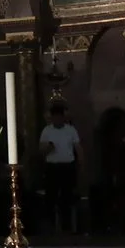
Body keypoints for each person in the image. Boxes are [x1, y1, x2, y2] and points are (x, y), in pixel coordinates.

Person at [37, 100, 82, 235]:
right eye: (54, 117)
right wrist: (48, 148)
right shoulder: (47, 131)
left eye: (59, 117)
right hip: (53, 168)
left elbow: (78, 148)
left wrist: (81, 163)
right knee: (51, 197)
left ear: (63, 117)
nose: (57, 119)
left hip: (67, 167)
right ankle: (51, 227)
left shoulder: (70, 130)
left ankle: (67, 228)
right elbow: (40, 150)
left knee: (67, 197)